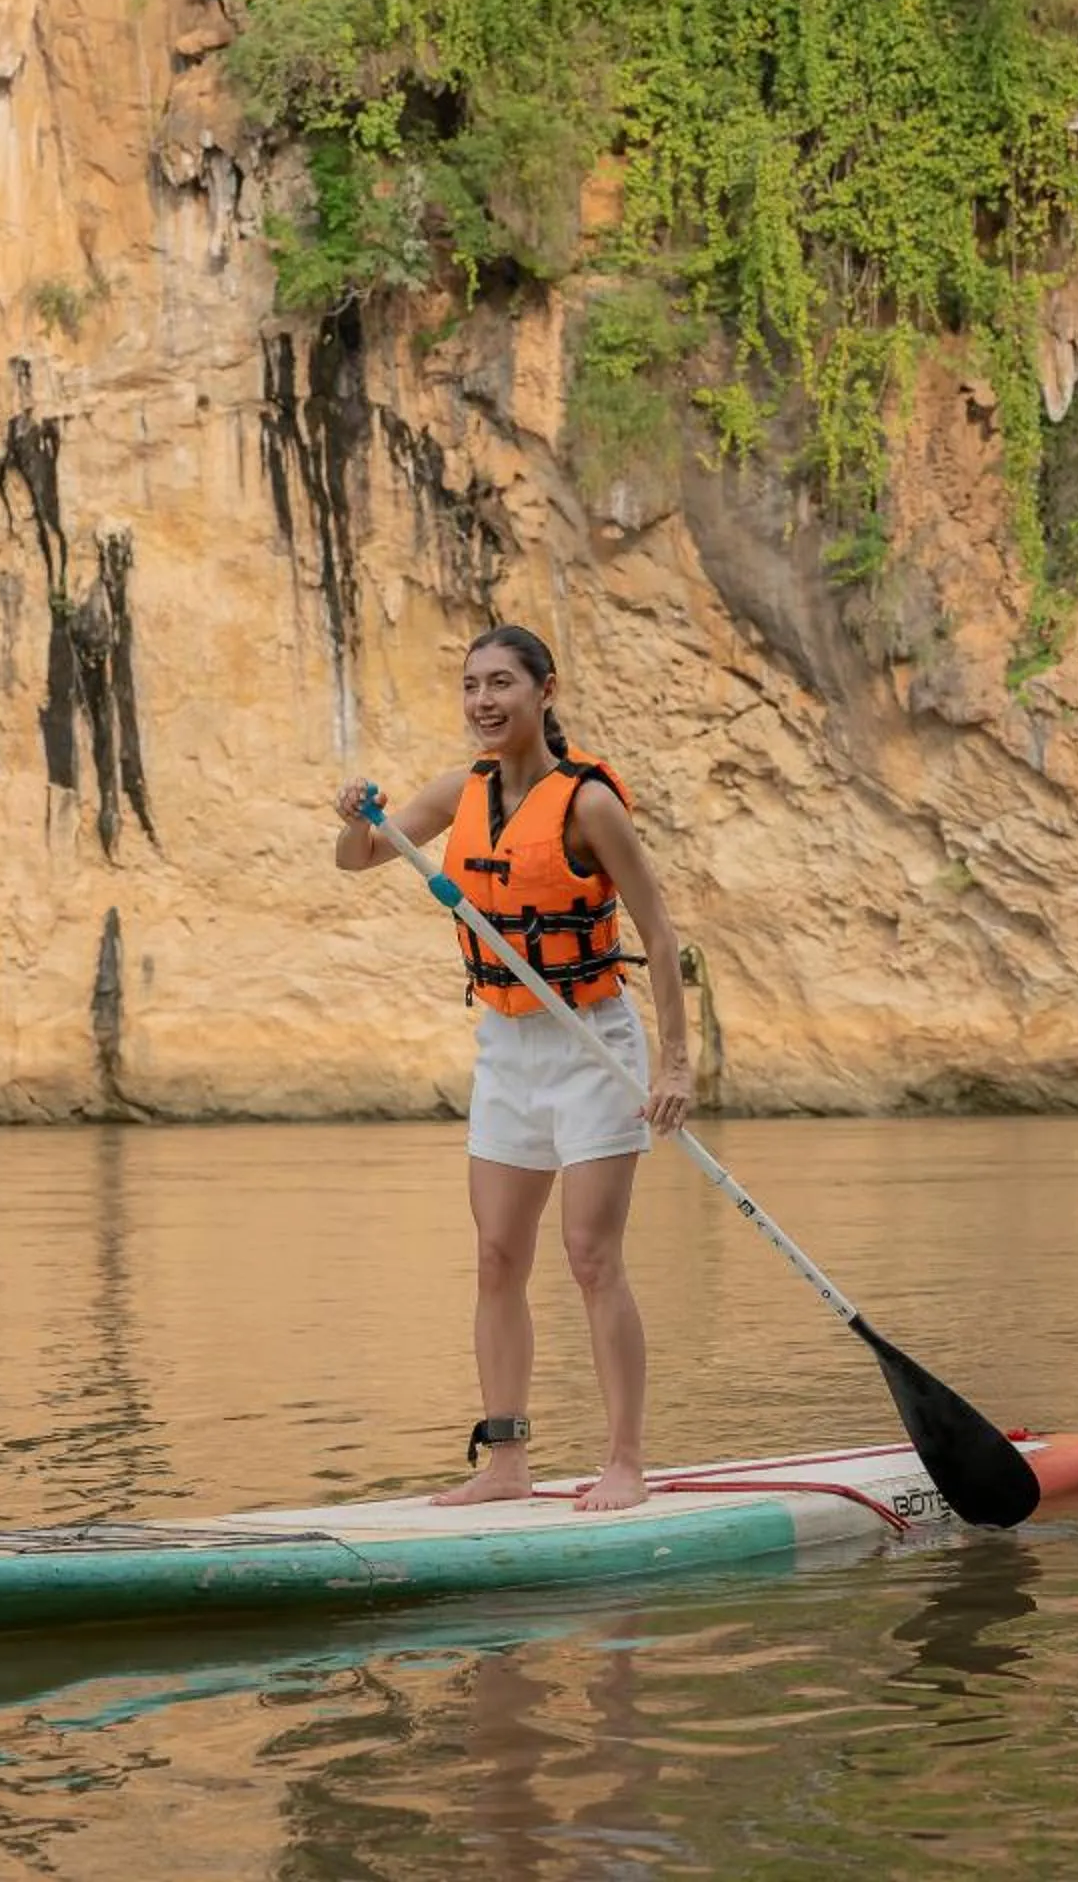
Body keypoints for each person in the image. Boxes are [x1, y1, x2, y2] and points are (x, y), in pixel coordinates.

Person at [333, 624, 696, 1512]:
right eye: (471, 685)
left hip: (591, 1045)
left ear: (545, 690)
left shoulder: (589, 805)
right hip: (507, 1049)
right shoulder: (459, 790)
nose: (483, 701)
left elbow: (658, 934)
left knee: (590, 1257)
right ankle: (506, 1462)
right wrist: (354, 818)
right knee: (498, 1255)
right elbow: (358, 860)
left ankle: (625, 1461)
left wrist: (677, 1067)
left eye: (501, 682)